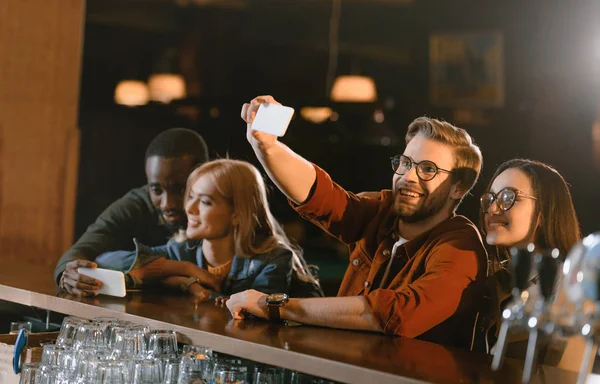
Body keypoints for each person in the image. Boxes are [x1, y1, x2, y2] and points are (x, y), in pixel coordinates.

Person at [226, 95, 487, 349]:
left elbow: (395, 312)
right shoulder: (383, 211)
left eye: (428, 169)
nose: (409, 177)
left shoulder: (460, 246)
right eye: (406, 163)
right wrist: (266, 145)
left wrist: (277, 306)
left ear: (458, 187)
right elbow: (324, 198)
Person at [94, 159, 323, 299]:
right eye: (190, 197)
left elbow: (250, 315)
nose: (189, 208)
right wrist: (186, 273)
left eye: (204, 202)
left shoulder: (272, 261)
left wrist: (193, 288)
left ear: (237, 214)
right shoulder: (181, 253)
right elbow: (105, 261)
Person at [55, 128, 209, 297]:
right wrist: (68, 274)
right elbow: (83, 250)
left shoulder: (223, 204)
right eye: (156, 190)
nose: (167, 204)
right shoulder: (136, 205)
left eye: (180, 189)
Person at [478, 159, 582, 365]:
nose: (493, 208)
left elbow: (564, 382)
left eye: (508, 197)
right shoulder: (495, 280)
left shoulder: (572, 289)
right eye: (490, 198)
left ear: (544, 212)